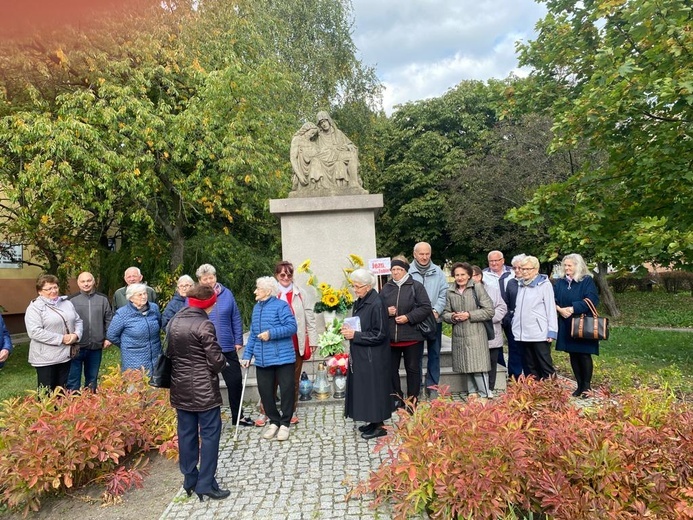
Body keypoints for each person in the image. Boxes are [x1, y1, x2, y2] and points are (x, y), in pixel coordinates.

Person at [168, 284, 230, 502]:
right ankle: (205, 483)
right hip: (203, 389)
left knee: (186, 434)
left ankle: (189, 479)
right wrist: (224, 363)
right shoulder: (204, 324)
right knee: (210, 434)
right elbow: (215, 359)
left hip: (180, 387)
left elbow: (169, 352)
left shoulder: (175, 321)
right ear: (208, 303)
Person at [255, 261, 318, 427]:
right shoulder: (269, 293)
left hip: (295, 342)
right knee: (270, 381)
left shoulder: (300, 293)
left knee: (292, 381)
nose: (286, 277)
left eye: (289, 274)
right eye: (282, 274)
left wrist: (313, 339)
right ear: (277, 275)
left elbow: (309, 317)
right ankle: (266, 410)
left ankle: (291, 410)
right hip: (272, 344)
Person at [240, 277, 297, 441]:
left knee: (286, 390)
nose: (255, 291)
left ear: (268, 291)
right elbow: (252, 334)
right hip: (263, 359)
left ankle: (285, 423)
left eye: (258, 288)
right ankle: (274, 420)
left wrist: (270, 334)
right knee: (265, 392)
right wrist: (247, 355)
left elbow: (292, 327)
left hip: (283, 358)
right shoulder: (256, 308)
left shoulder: (281, 306)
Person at [196, 264, 254, 427]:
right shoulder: (195, 297)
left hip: (227, 345)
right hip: (204, 348)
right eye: (205, 278)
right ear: (199, 281)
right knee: (207, 384)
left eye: (211, 277)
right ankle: (209, 421)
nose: (209, 281)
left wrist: (238, 340)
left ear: (216, 277)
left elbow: (235, 316)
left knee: (235, 381)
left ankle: (238, 416)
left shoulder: (226, 293)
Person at [341, 269, 392, 440]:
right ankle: (373, 421)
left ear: (368, 286)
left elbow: (380, 334)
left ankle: (379, 425)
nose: (355, 290)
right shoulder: (362, 301)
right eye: (354, 286)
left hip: (374, 356)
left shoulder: (377, 303)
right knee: (367, 389)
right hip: (363, 353)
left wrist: (355, 335)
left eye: (358, 287)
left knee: (374, 389)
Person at [380, 256, 431, 410]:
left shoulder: (416, 286)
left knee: (413, 369)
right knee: (390, 369)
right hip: (391, 338)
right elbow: (377, 309)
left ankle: (412, 400)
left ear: (405, 271)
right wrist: (385, 311)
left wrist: (408, 317)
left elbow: (425, 307)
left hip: (412, 336)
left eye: (399, 270)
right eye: (393, 269)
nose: (395, 272)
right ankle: (397, 397)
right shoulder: (386, 287)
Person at [442, 262, 495, 399]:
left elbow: (489, 311)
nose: (460, 278)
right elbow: (445, 313)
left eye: (462, 274)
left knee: (478, 366)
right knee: (466, 365)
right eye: (457, 275)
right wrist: (453, 316)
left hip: (476, 333)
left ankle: (484, 395)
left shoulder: (477, 288)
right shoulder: (450, 291)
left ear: (469, 275)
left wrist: (469, 315)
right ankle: (472, 394)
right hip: (460, 334)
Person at [25, 274, 82, 391]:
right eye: (49, 288)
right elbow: (34, 332)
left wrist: (76, 335)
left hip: (65, 355)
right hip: (45, 358)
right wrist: (62, 339)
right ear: (40, 291)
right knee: (47, 393)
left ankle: (61, 410)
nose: (53, 291)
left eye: (55, 287)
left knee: (62, 391)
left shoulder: (66, 303)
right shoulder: (35, 308)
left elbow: (78, 320)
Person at [554, 254, 600, 397]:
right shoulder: (560, 282)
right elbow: (552, 298)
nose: (567, 268)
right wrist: (560, 310)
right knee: (573, 354)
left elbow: (592, 299)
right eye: (565, 265)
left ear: (577, 266)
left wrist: (572, 308)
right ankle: (579, 385)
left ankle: (586, 386)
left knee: (584, 355)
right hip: (566, 321)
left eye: (570, 265)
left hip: (582, 322)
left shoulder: (586, 280)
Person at [408, 242, 448, 399]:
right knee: (414, 356)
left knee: (434, 354)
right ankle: (416, 386)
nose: (424, 257)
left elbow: (444, 293)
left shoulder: (438, 272)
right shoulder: (408, 272)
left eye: (427, 254)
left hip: (434, 319)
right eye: (421, 254)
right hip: (414, 320)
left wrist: (437, 310)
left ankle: (432, 386)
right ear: (415, 254)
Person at [511, 256, 558, 380]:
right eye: (522, 269)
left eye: (528, 269)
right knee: (529, 366)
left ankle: (553, 392)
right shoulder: (521, 284)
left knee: (544, 365)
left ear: (536, 269)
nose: (524, 271)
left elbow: (550, 309)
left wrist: (552, 331)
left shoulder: (544, 285)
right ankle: (533, 392)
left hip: (539, 333)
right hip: (522, 332)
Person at [66, 271, 113, 391]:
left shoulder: (103, 299)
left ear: (94, 282)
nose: (86, 284)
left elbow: (109, 319)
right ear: (78, 283)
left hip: (95, 346)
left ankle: (91, 404)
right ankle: (73, 405)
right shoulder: (71, 301)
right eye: (83, 281)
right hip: (76, 347)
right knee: (73, 380)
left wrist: (108, 337)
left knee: (92, 379)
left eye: (88, 281)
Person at [106, 283, 162, 375]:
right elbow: (111, 335)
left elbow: (159, 324)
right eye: (140, 294)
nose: (143, 297)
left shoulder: (154, 308)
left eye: (145, 293)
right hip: (134, 359)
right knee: (136, 386)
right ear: (131, 298)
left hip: (156, 356)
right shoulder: (122, 314)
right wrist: (126, 345)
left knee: (156, 386)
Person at [472, 266, 508, 392]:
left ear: (480, 276)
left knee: (492, 361)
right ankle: (478, 388)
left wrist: (489, 318)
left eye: (475, 275)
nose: (472, 278)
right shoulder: (465, 291)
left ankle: (490, 388)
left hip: (491, 330)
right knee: (476, 361)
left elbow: (502, 307)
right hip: (473, 331)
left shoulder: (492, 290)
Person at [314, 111, 360, 188]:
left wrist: (347, 146)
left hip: (338, 155)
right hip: (326, 158)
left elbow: (351, 145)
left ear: (329, 121)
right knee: (350, 156)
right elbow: (316, 150)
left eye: (324, 121)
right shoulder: (319, 137)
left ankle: (353, 182)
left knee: (352, 155)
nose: (324, 124)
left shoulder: (338, 133)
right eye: (321, 123)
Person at [503, 254, 528, 379]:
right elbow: (506, 301)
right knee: (513, 348)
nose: (517, 270)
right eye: (514, 268)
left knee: (528, 349)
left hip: (528, 321)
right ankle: (514, 376)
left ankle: (530, 376)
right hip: (513, 320)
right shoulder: (511, 282)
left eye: (520, 268)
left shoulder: (534, 283)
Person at [290, 122, 322, 190]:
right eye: (312, 132)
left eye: (314, 134)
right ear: (306, 129)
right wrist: (300, 176)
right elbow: (293, 158)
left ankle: (318, 184)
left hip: (313, 168)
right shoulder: (297, 139)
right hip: (301, 169)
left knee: (317, 160)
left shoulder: (312, 143)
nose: (312, 135)